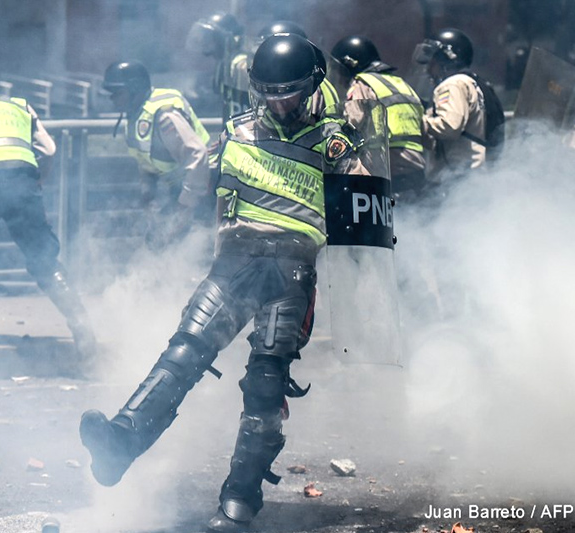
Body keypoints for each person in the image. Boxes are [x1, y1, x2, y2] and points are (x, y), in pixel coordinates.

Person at [80, 34, 364, 532]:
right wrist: (176, 228)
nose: (277, 103)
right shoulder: (236, 131)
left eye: (288, 92)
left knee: (265, 381)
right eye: (267, 92)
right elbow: (203, 185)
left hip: (291, 271)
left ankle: (240, 498)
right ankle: (121, 442)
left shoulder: (335, 143)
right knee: (185, 351)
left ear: (313, 85)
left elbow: (364, 217)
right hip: (233, 263)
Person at [0, 77, 97, 355]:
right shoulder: (19, 105)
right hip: (23, 180)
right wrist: (37, 182)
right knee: (43, 258)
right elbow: (49, 149)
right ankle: (82, 325)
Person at [101, 60, 211, 250]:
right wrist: (148, 192)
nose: (113, 99)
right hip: (180, 188)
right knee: (158, 241)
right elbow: (145, 159)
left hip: (203, 186)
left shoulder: (163, 116)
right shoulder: (135, 116)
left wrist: (185, 205)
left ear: (134, 89)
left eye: (118, 93)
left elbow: (198, 155)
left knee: (196, 245)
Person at [331, 35, 426, 199]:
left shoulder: (362, 83)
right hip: (416, 168)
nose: (340, 78)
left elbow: (353, 121)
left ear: (350, 65)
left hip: (387, 168)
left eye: (341, 70)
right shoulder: (401, 84)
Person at [413, 28, 489, 183]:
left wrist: (417, 121)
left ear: (446, 60)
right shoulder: (468, 82)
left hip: (457, 178)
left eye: (432, 63)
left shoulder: (452, 84)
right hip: (469, 176)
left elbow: (449, 127)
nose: (428, 69)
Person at [186, 12, 250, 122]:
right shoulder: (215, 71)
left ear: (222, 42)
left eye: (209, 40)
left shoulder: (239, 67)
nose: (204, 45)